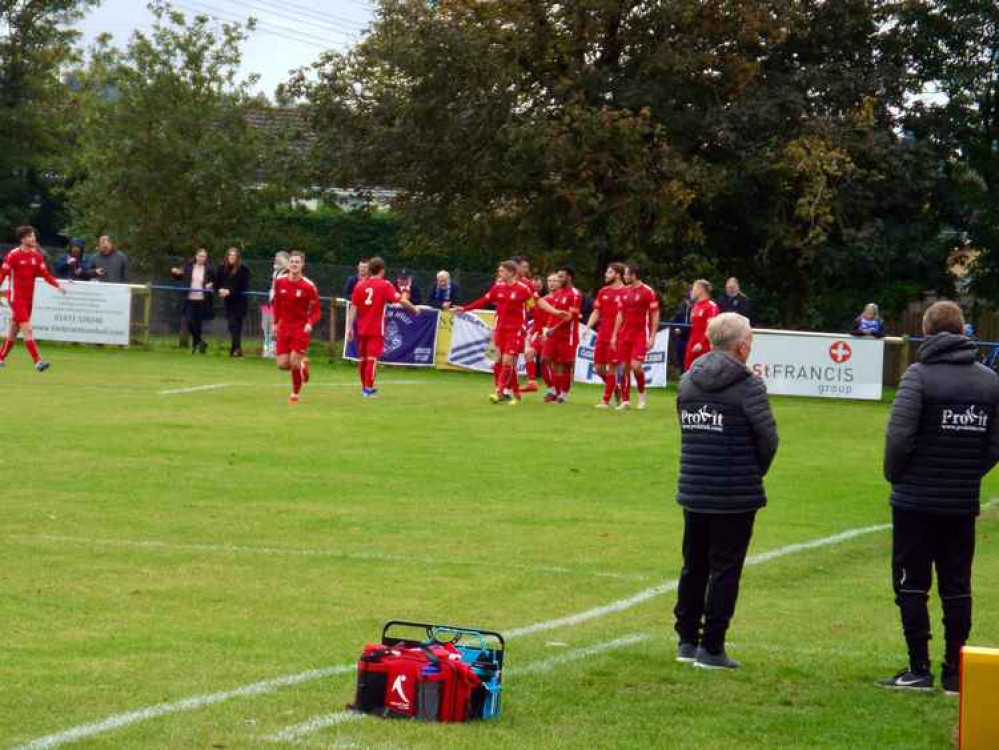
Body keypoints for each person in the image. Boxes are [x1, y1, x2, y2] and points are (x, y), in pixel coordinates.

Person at [879, 301, 999, 694]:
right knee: (956, 584)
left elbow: (899, 437)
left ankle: (918, 668)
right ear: (963, 331)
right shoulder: (989, 381)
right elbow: (994, 444)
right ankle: (955, 673)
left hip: (914, 500)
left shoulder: (919, 376)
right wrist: (967, 473)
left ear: (927, 333)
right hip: (961, 501)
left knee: (911, 583)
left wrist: (897, 476)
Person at [674, 312, 778, 670]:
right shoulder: (749, 385)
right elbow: (768, 440)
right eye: (749, 338)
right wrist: (752, 472)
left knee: (694, 564)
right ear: (740, 345)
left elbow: (685, 429)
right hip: (734, 494)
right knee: (725, 569)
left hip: (695, 487)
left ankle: (687, 639)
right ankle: (712, 647)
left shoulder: (688, 380)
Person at [457, 260, 567, 405]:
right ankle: (514, 393)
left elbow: (537, 303)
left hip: (515, 330)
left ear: (511, 272)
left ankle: (500, 392)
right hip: (500, 330)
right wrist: (464, 309)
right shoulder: (498, 287)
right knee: (499, 361)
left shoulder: (523, 288)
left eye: (502, 271)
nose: (499, 273)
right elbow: (484, 300)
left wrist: (555, 313)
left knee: (508, 360)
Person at [346, 256, 421, 398]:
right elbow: (401, 300)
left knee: (363, 358)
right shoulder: (384, 284)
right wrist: (414, 310)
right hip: (376, 328)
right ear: (382, 270)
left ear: (369, 270)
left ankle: (365, 388)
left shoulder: (360, 285)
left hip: (361, 328)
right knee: (372, 359)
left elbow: (353, 307)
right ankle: (368, 389)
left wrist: (349, 327)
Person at [0, 225, 67, 371]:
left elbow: (46, 275)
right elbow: (2, 274)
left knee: (14, 330)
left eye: (34, 236)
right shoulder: (13, 255)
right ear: (23, 239)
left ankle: (0, 357)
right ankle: (38, 361)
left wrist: (57, 285)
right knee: (27, 329)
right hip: (15, 298)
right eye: (30, 236)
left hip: (28, 299)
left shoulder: (37, 256)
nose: (33, 238)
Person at [273, 251, 320, 405]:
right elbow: (277, 304)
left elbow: (316, 311)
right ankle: (303, 364)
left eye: (297, 262)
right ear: (288, 264)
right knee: (281, 365)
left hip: (300, 328)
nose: (294, 264)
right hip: (284, 327)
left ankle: (295, 394)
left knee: (293, 361)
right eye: (292, 261)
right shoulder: (279, 282)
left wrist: (309, 323)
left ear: (302, 265)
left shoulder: (309, 286)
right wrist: (275, 323)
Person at [611, 263, 660, 410]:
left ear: (634, 275)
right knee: (624, 367)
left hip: (640, 334)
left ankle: (642, 394)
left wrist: (652, 336)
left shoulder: (648, 291)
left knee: (636, 366)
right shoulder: (623, 292)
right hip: (624, 334)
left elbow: (655, 314)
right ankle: (626, 401)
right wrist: (614, 335)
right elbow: (619, 314)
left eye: (626, 274)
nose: (624, 277)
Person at [583, 262, 626, 409]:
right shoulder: (603, 291)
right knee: (598, 368)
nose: (605, 275)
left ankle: (605, 401)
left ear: (617, 275)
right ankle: (615, 387)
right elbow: (596, 311)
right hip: (602, 333)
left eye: (609, 272)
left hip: (618, 335)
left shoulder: (627, 292)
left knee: (613, 367)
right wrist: (588, 327)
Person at [542, 266, 583, 404]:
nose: (558, 279)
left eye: (561, 277)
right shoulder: (558, 293)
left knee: (565, 365)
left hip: (567, 335)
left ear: (569, 278)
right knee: (546, 360)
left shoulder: (575, 294)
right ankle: (555, 391)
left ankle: (563, 395)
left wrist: (554, 328)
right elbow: (554, 313)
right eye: (557, 276)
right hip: (553, 334)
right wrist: (548, 328)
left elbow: (570, 316)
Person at [171, 249, 215, 354]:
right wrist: (175, 272)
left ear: (206, 258)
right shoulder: (188, 266)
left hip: (201, 300)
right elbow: (179, 277)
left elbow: (215, 280)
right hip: (189, 299)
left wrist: (211, 284)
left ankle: (196, 347)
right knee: (189, 321)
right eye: (200, 256)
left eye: (204, 256)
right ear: (196, 256)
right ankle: (201, 342)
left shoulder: (209, 269)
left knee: (198, 324)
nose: (201, 258)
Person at [216, 247, 251, 358]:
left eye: (234, 256)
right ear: (227, 256)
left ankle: (235, 350)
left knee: (237, 327)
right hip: (229, 303)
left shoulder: (243, 269)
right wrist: (219, 289)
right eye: (230, 255)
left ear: (237, 257)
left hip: (240, 302)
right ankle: (237, 349)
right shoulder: (222, 268)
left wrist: (229, 291)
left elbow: (243, 286)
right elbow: (217, 282)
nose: (232, 257)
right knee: (232, 325)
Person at [684, 279, 720, 371]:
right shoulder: (695, 306)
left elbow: (712, 327)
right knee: (688, 370)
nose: (692, 291)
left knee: (704, 371)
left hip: (705, 346)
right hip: (692, 344)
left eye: (694, 288)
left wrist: (701, 343)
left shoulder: (711, 306)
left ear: (701, 290)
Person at [261, 251, 290, 358]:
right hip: (271, 303)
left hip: (282, 305)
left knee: (279, 329)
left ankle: (278, 352)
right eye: (276, 257)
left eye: (280, 258)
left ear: (287, 260)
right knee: (266, 327)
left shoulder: (288, 272)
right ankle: (267, 351)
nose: (277, 259)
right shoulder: (275, 272)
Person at [670, 292, 693, 373]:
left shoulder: (697, 308)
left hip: (691, 337)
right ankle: (682, 373)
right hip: (681, 338)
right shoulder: (682, 308)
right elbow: (674, 321)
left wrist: (682, 330)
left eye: (691, 301)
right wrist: (676, 328)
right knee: (681, 356)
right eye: (688, 300)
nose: (690, 303)